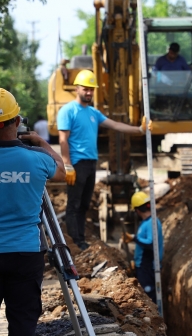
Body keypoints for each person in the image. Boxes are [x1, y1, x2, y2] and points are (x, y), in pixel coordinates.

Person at [0, 87, 65, 335]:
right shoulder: (38, 158)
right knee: (23, 325)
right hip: (26, 254)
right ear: (18, 121)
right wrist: (41, 143)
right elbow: (63, 171)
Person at [57, 69, 151, 251]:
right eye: (85, 89)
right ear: (76, 88)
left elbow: (115, 125)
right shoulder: (68, 111)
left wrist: (140, 129)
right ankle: (75, 242)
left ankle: (81, 239)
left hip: (91, 164)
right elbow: (63, 139)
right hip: (77, 164)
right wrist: (67, 164)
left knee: (84, 205)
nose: (89, 92)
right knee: (74, 204)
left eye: (92, 89)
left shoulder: (93, 112)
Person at [123, 191, 164, 304]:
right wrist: (136, 262)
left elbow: (151, 243)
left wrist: (134, 238)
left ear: (137, 210)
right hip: (144, 265)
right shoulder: (147, 222)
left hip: (148, 266)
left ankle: (154, 319)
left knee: (150, 297)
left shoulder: (152, 222)